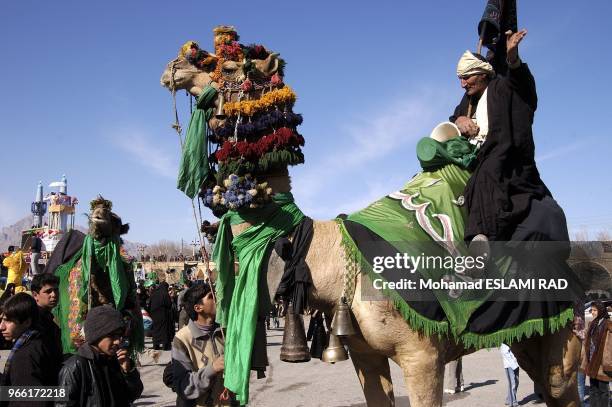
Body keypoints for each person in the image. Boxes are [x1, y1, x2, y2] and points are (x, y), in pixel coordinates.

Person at [450, 30, 568, 245]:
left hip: (503, 152)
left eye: (466, 77)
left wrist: (512, 58)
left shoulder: (503, 86)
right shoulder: (468, 100)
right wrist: (460, 120)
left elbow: (522, 86)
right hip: (472, 154)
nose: (463, 84)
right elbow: (454, 117)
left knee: (487, 173)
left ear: (482, 73)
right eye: (460, 78)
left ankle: (480, 238)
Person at [57, 305, 143, 407]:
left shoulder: (117, 361)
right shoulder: (74, 367)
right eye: (112, 336)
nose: (117, 341)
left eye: (119, 336)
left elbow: (134, 395)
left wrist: (128, 372)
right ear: (97, 335)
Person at [171, 283, 234, 406]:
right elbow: (183, 386)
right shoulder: (182, 338)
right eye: (211, 296)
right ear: (198, 308)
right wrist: (212, 369)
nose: (217, 298)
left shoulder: (225, 331)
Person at [0, 293, 60, 406]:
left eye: (8, 321)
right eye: (2, 320)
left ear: (27, 322)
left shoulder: (25, 356)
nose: (1, 327)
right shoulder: (40, 341)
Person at [581, 300, 612, 407]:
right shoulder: (593, 324)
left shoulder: (608, 325)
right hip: (592, 361)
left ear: (601, 310)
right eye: (592, 310)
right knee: (593, 389)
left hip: (602, 363)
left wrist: (608, 364)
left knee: (603, 390)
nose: (592, 312)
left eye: (595, 310)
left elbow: (609, 347)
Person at [31, 273, 64, 362]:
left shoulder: (47, 317)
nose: (54, 294)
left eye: (56, 290)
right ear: (35, 295)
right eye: (48, 291)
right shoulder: (35, 320)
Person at [150, 281, 174, 350]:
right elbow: (169, 304)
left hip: (154, 315)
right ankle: (165, 345)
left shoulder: (154, 294)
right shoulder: (165, 294)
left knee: (156, 329)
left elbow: (150, 304)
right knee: (164, 330)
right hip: (163, 315)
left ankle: (156, 345)